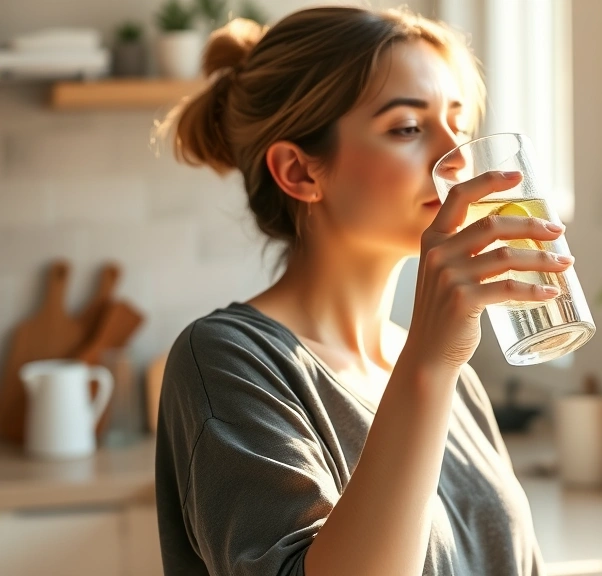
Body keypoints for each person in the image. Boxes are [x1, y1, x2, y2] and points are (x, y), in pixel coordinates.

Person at [153, 6, 573, 576]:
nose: (456, 155)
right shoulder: (229, 362)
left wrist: (434, 360)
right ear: (299, 171)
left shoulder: (453, 377)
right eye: (407, 127)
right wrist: (431, 360)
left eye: (459, 124)